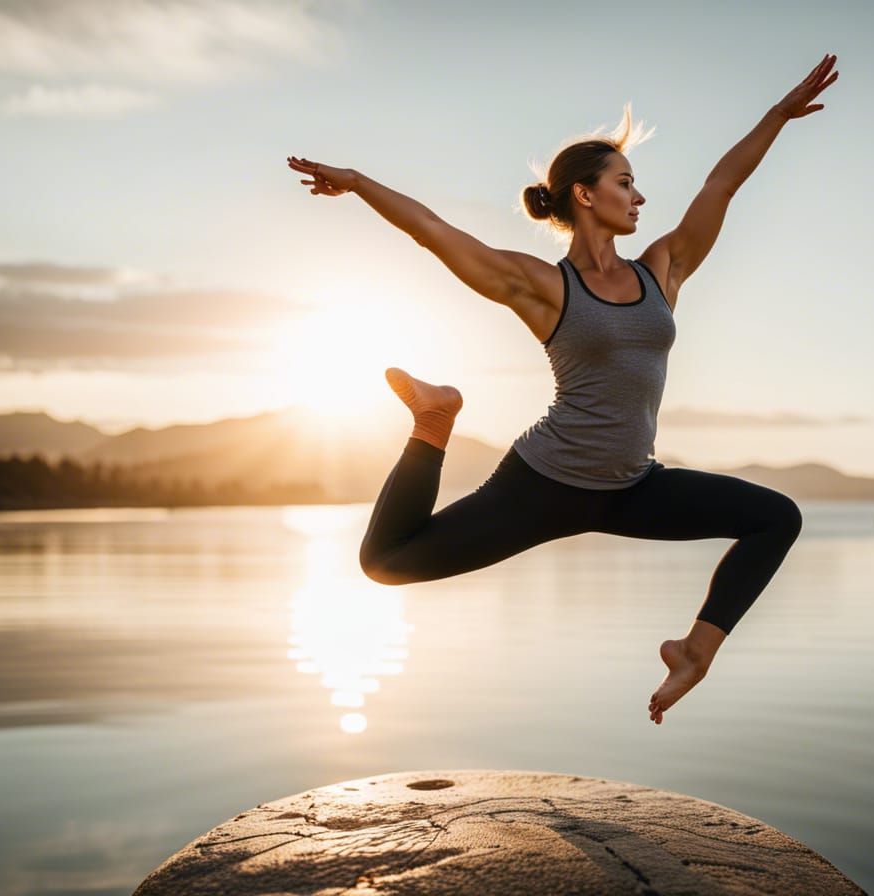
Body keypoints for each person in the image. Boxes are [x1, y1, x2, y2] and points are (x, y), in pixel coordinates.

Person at [287, 54, 839, 725]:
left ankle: (695, 651)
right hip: (542, 487)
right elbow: (434, 232)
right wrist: (356, 182)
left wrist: (776, 117)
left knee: (777, 517)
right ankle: (433, 420)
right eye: (625, 183)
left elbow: (719, 187)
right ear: (585, 194)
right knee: (385, 562)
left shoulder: (662, 270)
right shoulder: (545, 287)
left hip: (632, 488)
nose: (638, 198)